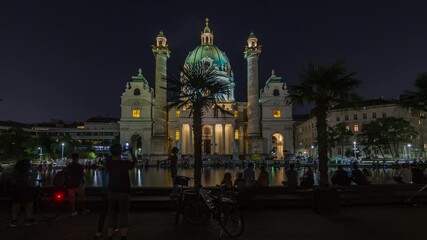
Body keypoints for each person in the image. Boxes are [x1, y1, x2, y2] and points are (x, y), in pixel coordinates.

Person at [106, 143, 137, 240]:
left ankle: (109, 236)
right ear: (120, 152)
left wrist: (118, 151)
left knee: (111, 213)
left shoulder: (109, 163)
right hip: (123, 193)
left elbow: (112, 156)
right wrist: (131, 151)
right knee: (124, 214)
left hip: (111, 192)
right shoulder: (125, 163)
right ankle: (123, 237)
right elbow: (134, 161)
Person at [9, 159, 37, 227]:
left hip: (17, 188)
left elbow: (11, 180)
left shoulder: (15, 171)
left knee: (16, 203)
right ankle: (29, 219)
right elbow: (33, 180)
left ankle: (14, 220)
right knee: (29, 203)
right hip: (28, 188)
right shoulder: (30, 170)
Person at [95, 158, 118, 239]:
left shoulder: (102, 171)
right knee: (113, 212)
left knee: (103, 213)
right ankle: (113, 228)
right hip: (112, 193)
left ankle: (99, 230)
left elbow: (101, 182)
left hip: (105, 193)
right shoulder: (113, 172)